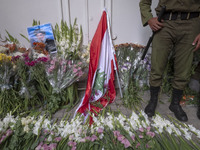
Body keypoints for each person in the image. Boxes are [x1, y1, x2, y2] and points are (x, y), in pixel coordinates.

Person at [139, 0, 200, 122]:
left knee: (184, 68)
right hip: (165, 23)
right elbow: (144, 2)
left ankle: (175, 104)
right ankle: (153, 100)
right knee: (157, 65)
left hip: (191, 24)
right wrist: (149, 19)